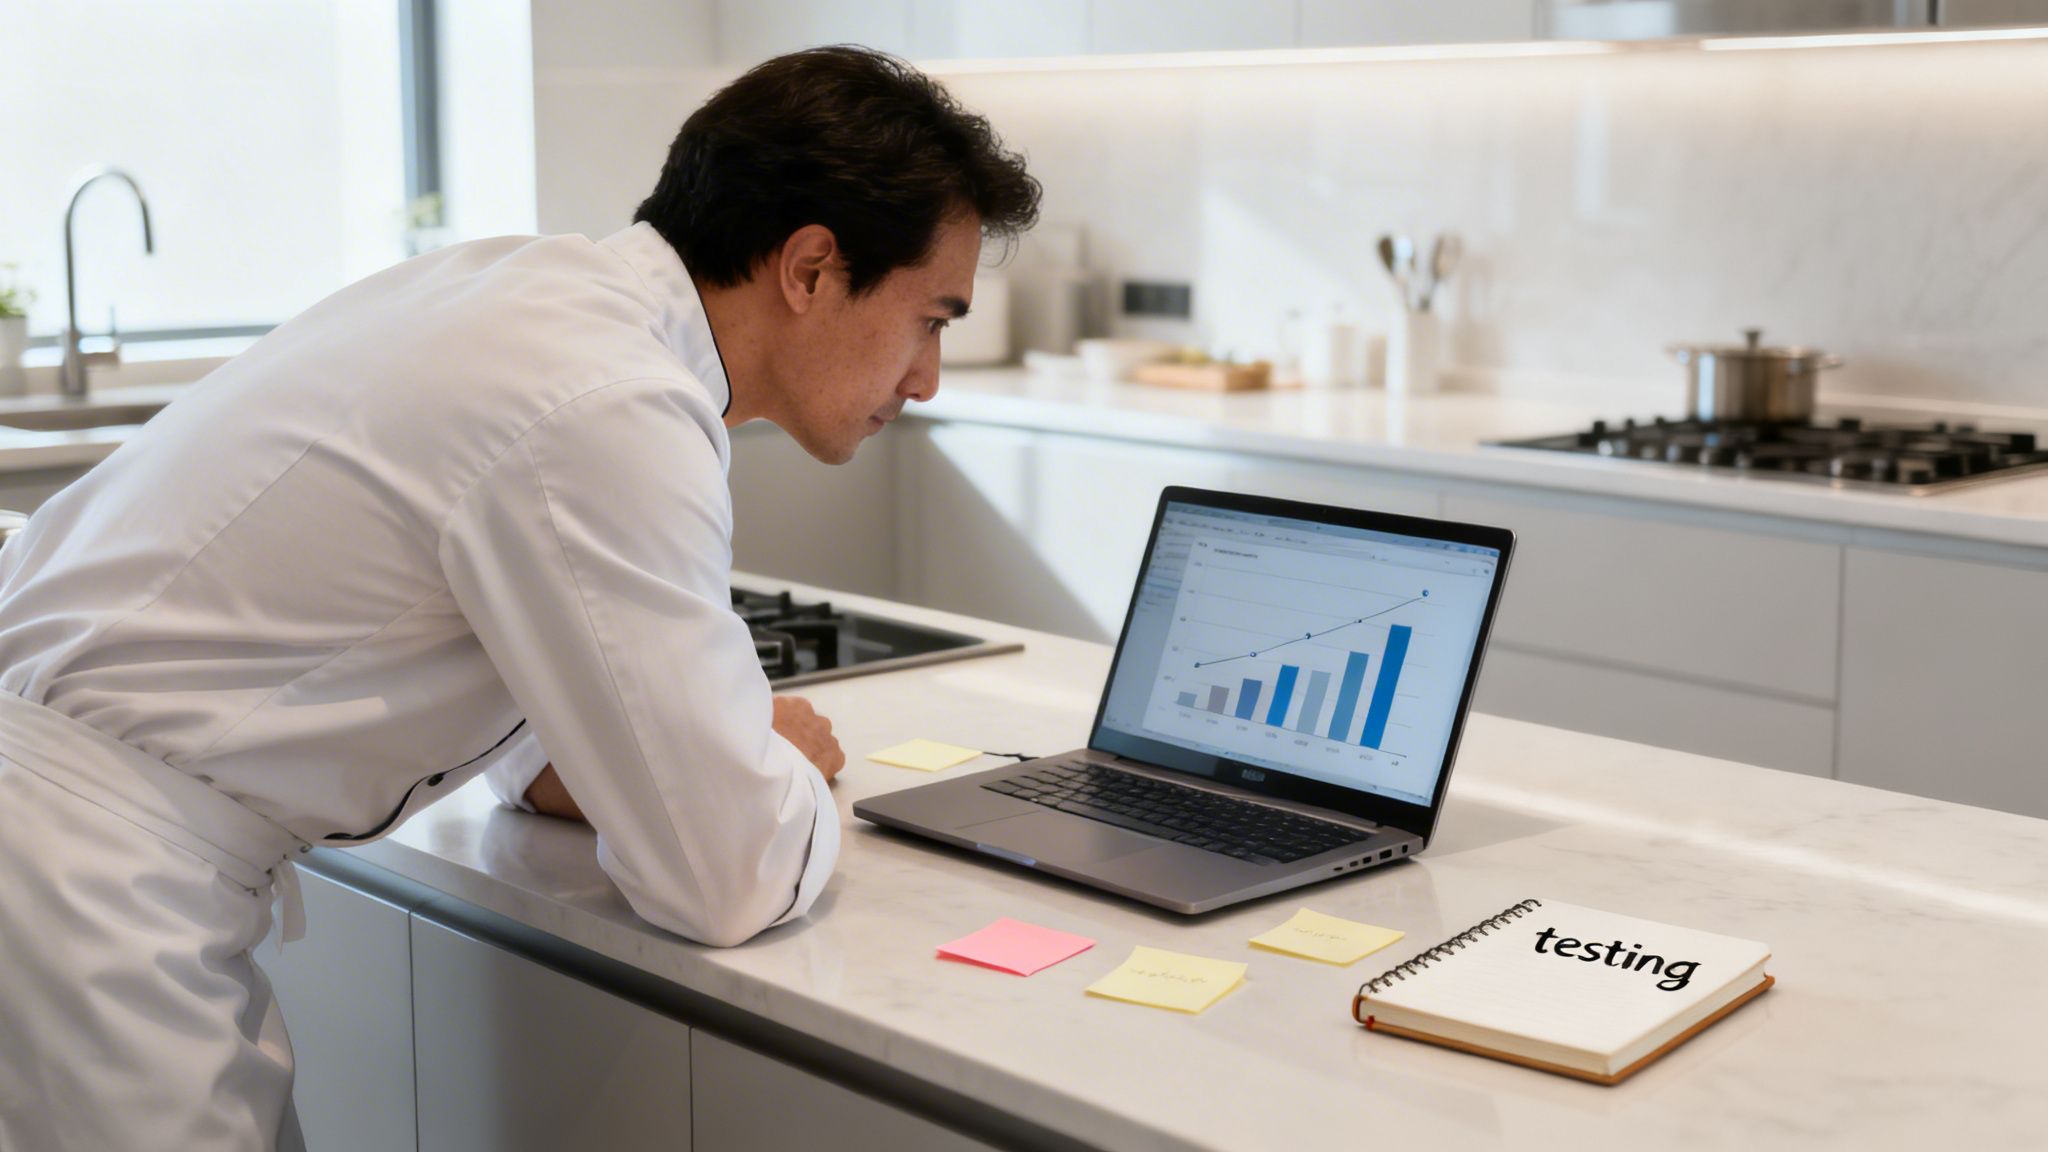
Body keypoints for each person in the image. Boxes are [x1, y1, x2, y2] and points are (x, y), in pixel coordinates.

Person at [0, 45, 1038, 1151]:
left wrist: (605, 766)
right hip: (81, 884)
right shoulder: (611, 400)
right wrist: (783, 764)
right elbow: (721, 876)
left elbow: (495, 643)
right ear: (811, 267)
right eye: (932, 318)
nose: (927, 378)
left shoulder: (531, 297)